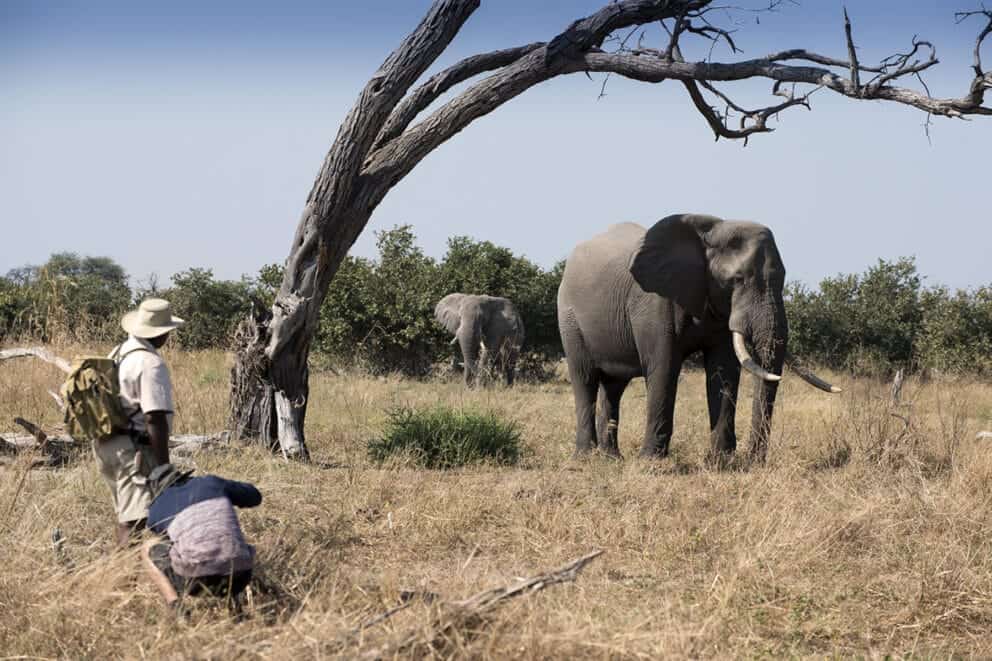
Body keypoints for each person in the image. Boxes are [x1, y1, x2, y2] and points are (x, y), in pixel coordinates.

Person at [94, 298, 184, 548]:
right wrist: (163, 468)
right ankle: (122, 584)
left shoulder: (119, 352)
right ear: (162, 333)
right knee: (133, 522)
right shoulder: (150, 363)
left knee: (128, 515)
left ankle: (132, 579)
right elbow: (155, 417)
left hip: (108, 445)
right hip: (134, 451)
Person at [141, 463, 262, 612]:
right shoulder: (211, 482)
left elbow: (170, 541)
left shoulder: (156, 510)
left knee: (148, 548)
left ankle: (175, 607)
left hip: (196, 582)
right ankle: (234, 605)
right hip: (242, 576)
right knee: (226, 538)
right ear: (183, 477)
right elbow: (255, 497)